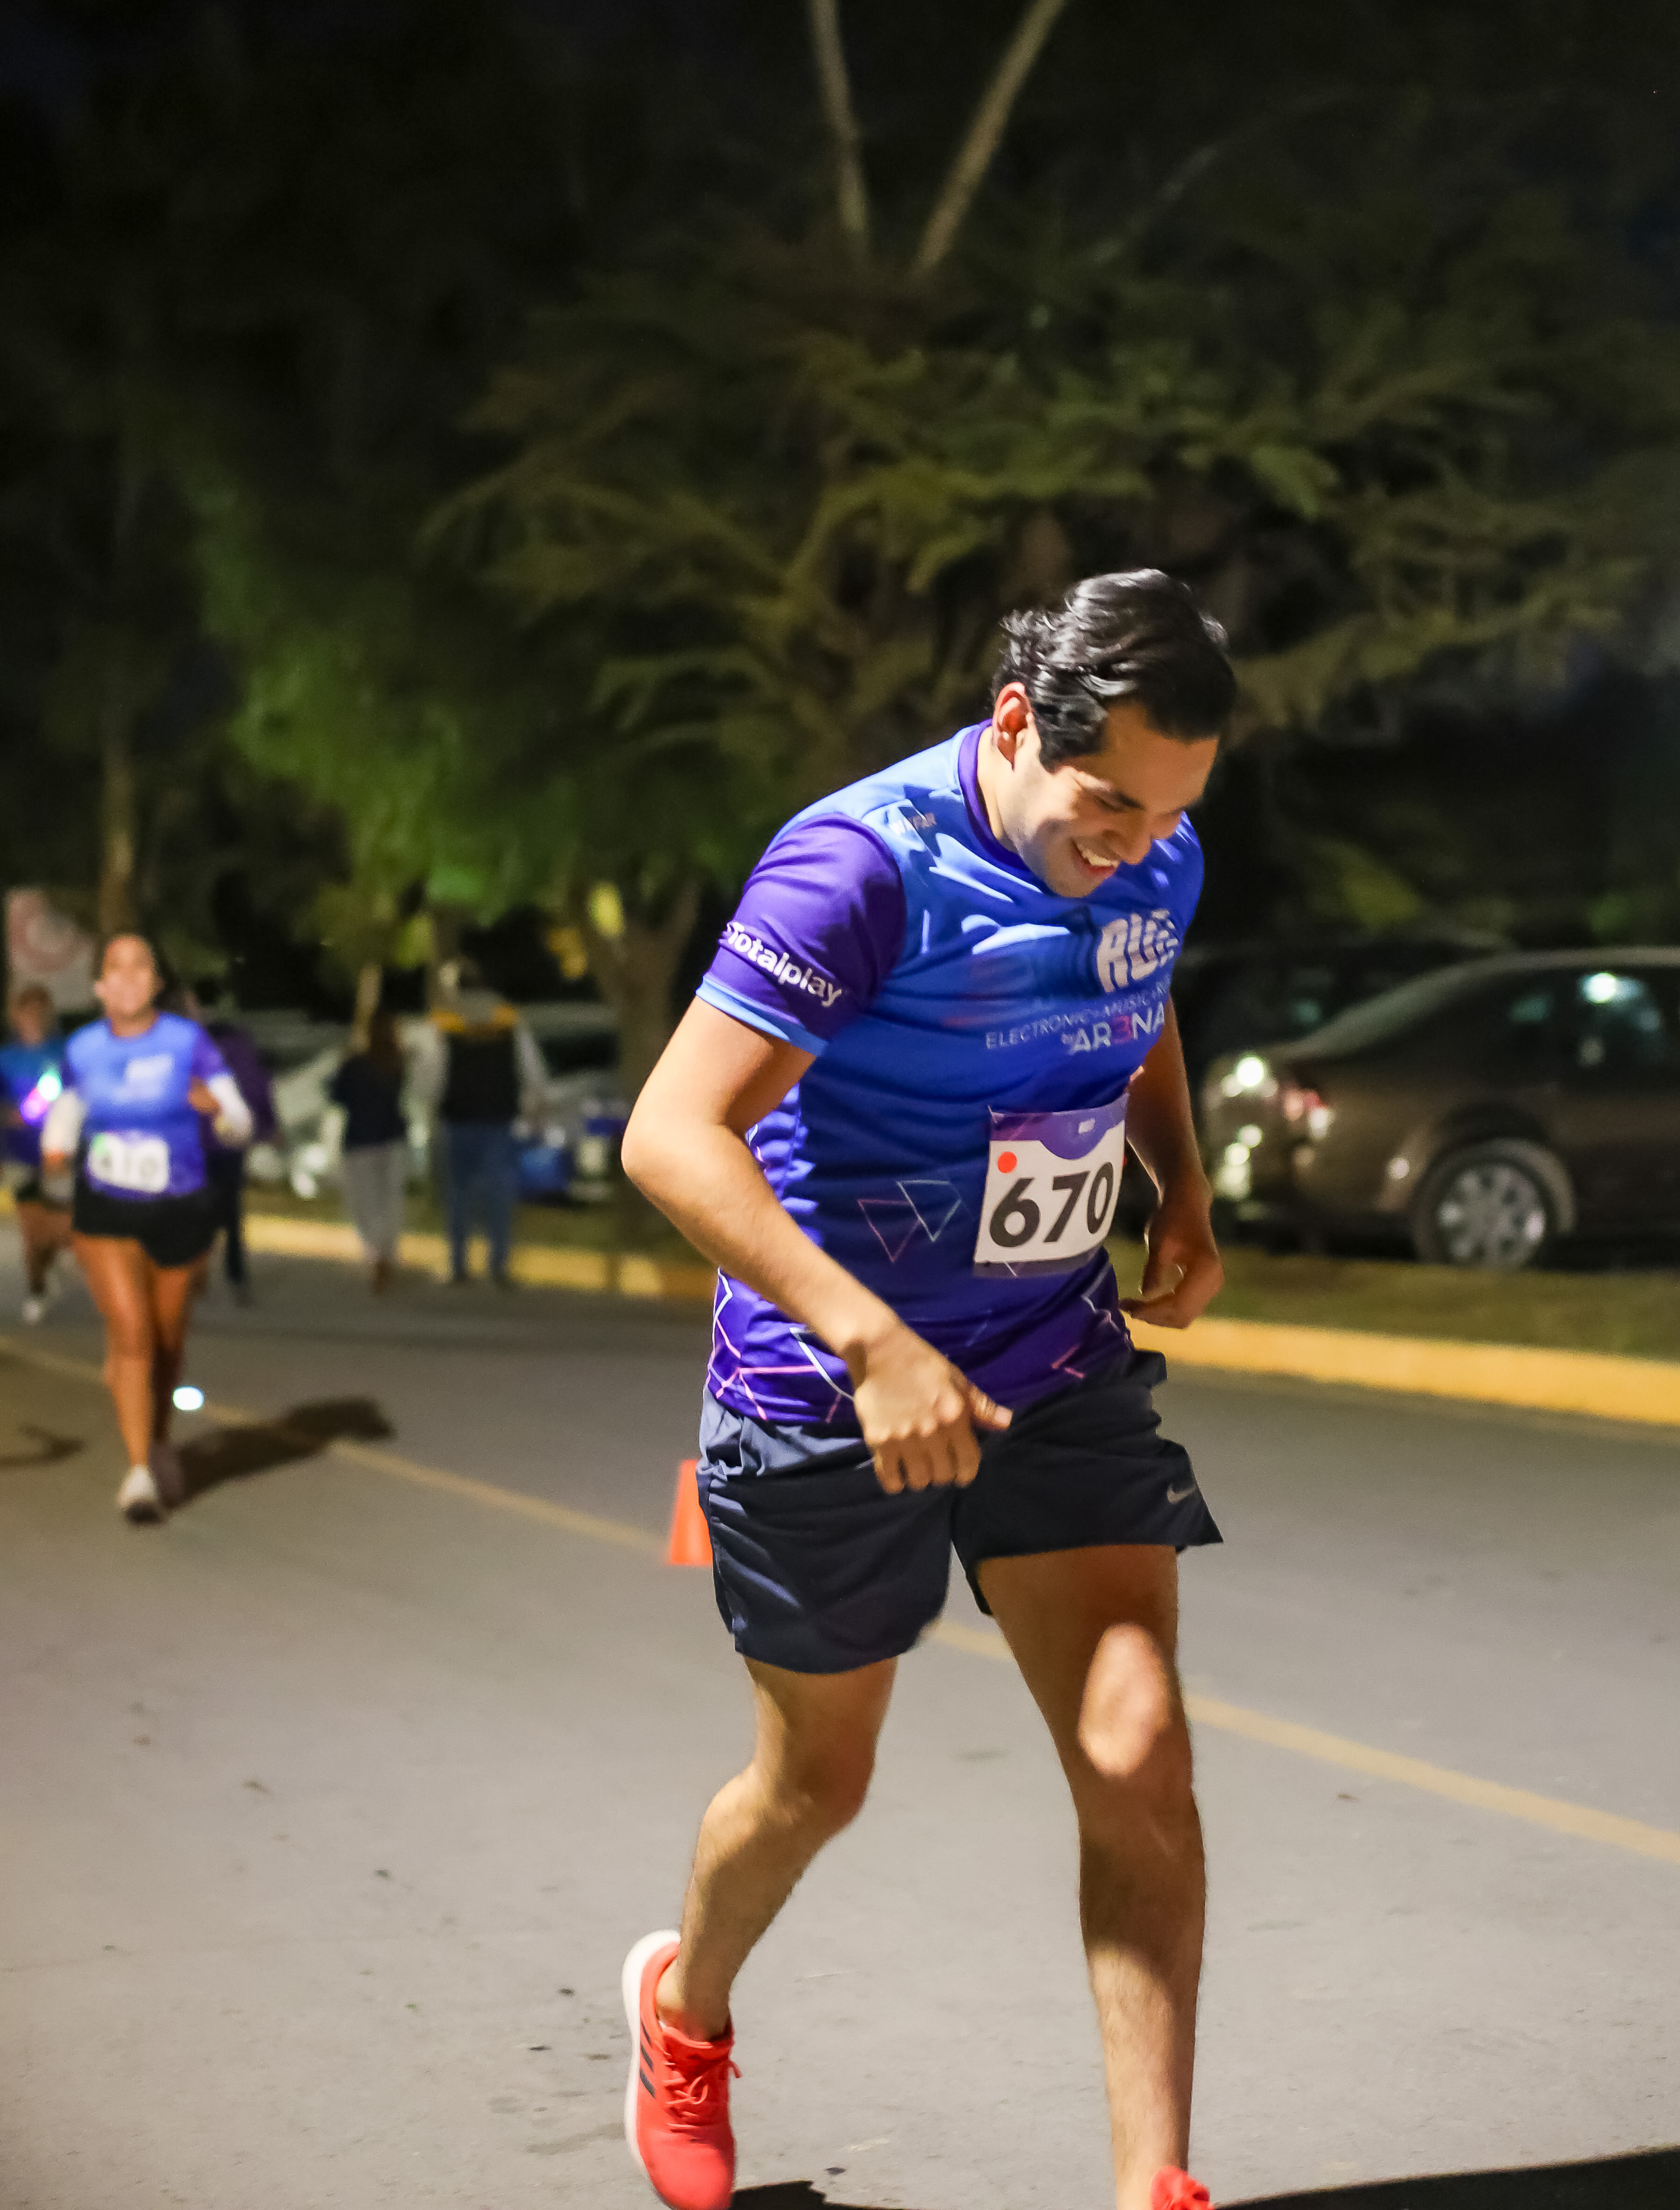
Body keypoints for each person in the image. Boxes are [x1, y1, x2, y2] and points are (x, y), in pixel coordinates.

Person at [618, 571, 1235, 2210]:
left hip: (1053, 1359)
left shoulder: (1152, 847)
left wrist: (1181, 1182)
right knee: (814, 1785)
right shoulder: (863, 867)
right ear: (1018, 722)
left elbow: (1138, 989)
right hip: (828, 1389)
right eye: (1111, 807)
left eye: (1174, 814)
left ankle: (1152, 2185)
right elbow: (670, 1135)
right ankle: (685, 2010)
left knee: (1139, 1747)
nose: (1139, 847)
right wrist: (872, 1339)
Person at [40, 932, 252, 1523]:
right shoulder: (83, 1048)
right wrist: (56, 1150)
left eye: (142, 967)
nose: (129, 977)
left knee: (166, 1343)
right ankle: (138, 1473)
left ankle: (159, 1441)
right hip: (107, 1207)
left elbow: (239, 1120)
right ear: (100, 986)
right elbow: (67, 1107)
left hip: (180, 1207)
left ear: (157, 984)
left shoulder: (188, 1042)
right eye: (117, 967)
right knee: (132, 1333)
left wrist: (218, 1110)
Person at [408, 963, 549, 1286]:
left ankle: (458, 1266)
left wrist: (431, 1101)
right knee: (499, 1192)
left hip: (458, 1118)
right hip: (498, 1117)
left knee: (458, 1193)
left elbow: (431, 1073)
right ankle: (499, 1266)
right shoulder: (507, 1019)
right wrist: (537, 1102)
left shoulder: (446, 1021)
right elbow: (531, 1067)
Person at [182, 987, 278, 1304]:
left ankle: (201, 1268)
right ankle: (230, 1274)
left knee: (203, 1207)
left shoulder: (192, 1044)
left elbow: (254, 1083)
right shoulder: (237, 1043)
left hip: (201, 1141)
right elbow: (258, 1084)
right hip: (220, 1140)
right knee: (225, 1208)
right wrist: (267, 1123)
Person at [1, 982, 71, 1324]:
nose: (32, 1016)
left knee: (57, 1229)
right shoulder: (6, 1057)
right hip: (19, 1152)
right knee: (32, 1231)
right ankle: (37, 1291)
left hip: (58, 1154)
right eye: (25, 1009)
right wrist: (11, 1115)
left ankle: (47, 1266)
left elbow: (79, 1095)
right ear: (15, 1015)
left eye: (39, 1009)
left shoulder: (65, 1052)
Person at [328, 1005, 409, 1292]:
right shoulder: (397, 1063)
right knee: (390, 1201)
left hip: (360, 1140)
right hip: (392, 1137)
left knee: (365, 1204)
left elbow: (337, 1096)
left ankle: (376, 1255)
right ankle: (387, 1253)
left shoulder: (356, 1064)